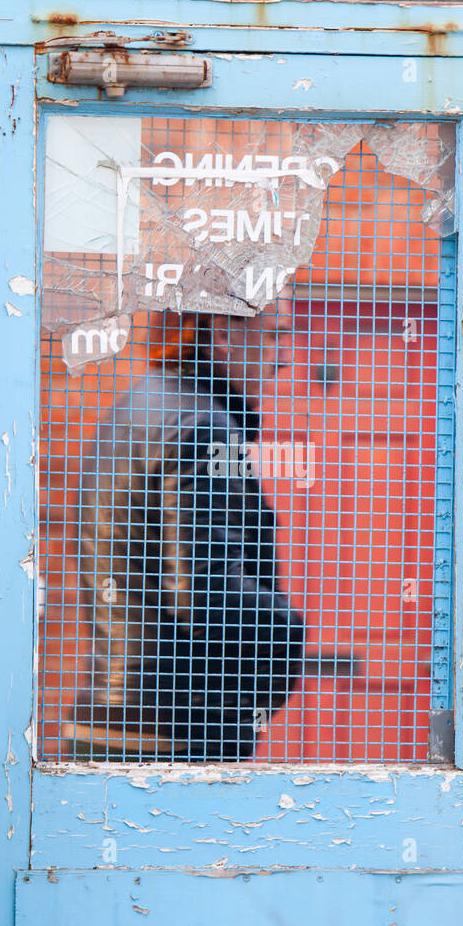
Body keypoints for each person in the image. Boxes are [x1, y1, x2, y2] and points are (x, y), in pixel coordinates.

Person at [66, 299, 305, 760]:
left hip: (112, 717)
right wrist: (287, 634)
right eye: (275, 334)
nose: (284, 356)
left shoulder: (133, 410)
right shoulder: (201, 424)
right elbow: (200, 589)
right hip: (174, 731)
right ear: (224, 334)